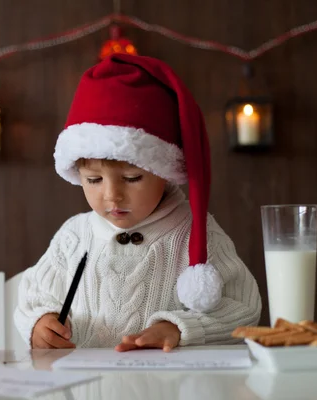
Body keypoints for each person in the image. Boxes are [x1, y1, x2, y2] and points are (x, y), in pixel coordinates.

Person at [14, 53, 261, 352]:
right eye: (94, 180)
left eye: (131, 178)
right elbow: (33, 297)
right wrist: (40, 323)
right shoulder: (74, 236)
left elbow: (243, 306)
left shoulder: (195, 233)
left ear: (163, 172)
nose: (111, 195)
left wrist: (178, 328)